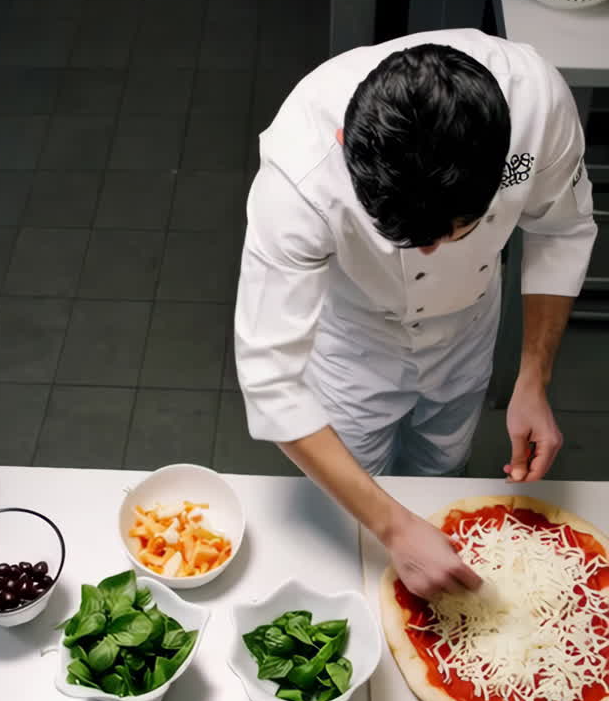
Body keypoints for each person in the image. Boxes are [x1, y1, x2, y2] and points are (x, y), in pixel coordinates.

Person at [235, 30, 596, 599]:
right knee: (355, 512)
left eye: (453, 232)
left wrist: (533, 375)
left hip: (468, 323)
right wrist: (394, 528)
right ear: (344, 145)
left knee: (443, 469)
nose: (429, 252)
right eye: (407, 238)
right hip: (354, 338)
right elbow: (269, 377)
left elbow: (562, 228)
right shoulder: (299, 170)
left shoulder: (538, 104)